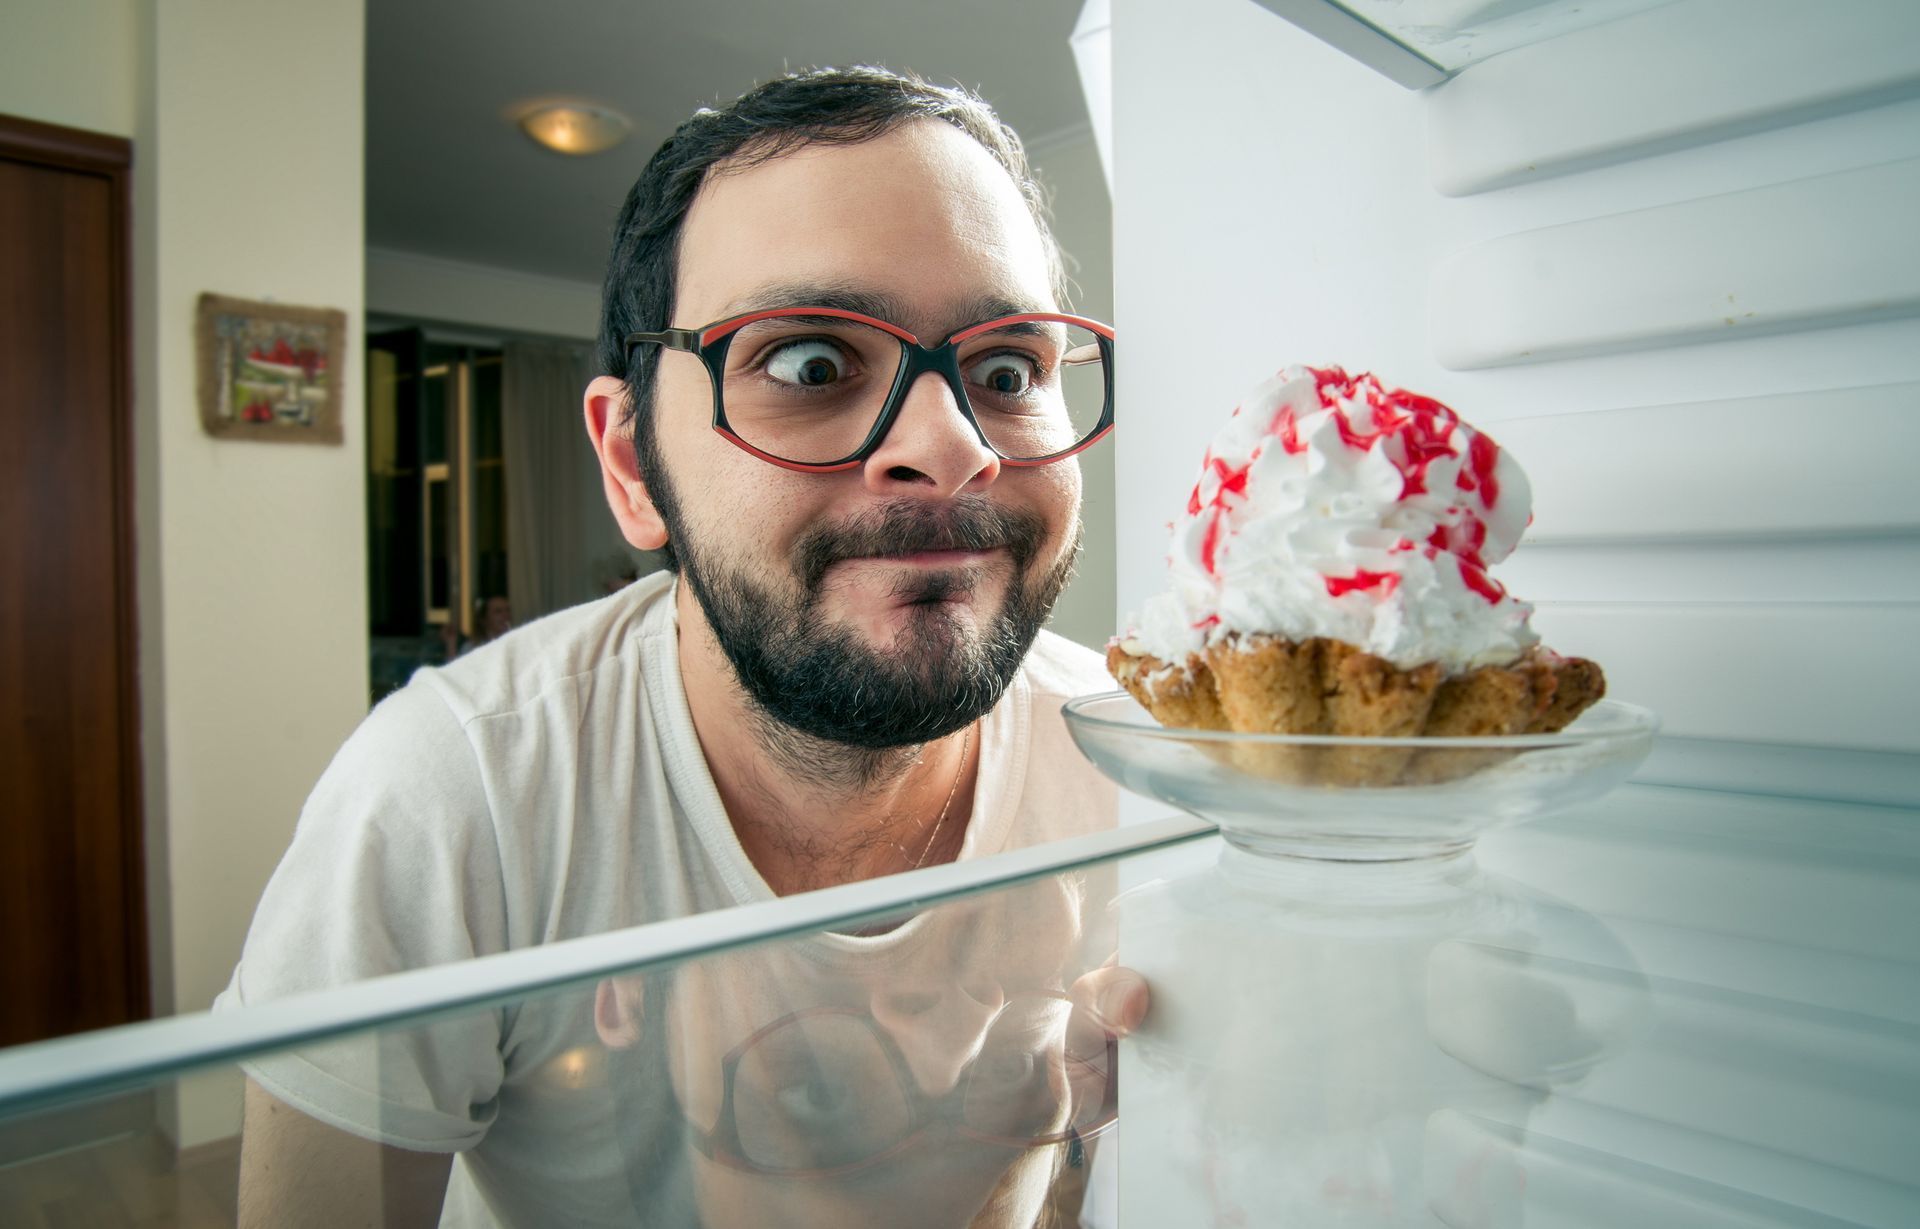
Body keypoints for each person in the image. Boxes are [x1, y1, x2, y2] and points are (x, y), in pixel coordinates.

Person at [220, 66, 1137, 1228]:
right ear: (631, 465)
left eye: (1008, 370)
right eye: (810, 363)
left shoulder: (1139, 759)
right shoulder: (456, 793)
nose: (951, 446)